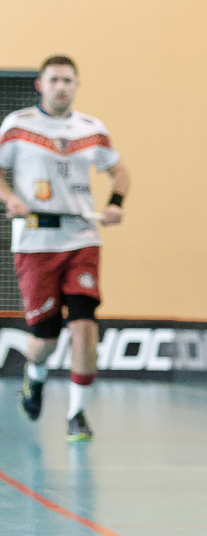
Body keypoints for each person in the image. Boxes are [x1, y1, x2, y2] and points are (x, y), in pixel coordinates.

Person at [0, 55, 130, 442]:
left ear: (76, 86)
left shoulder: (92, 129)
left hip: (81, 239)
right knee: (45, 338)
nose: (62, 86)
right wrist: (10, 198)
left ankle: (76, 414)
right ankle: (35, 374)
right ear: (40, 84)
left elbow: (119, 171)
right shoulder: (18, 125)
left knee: (85, 325)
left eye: (68, 80)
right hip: (36, 244)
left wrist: (115, 204)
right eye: (54, 79)